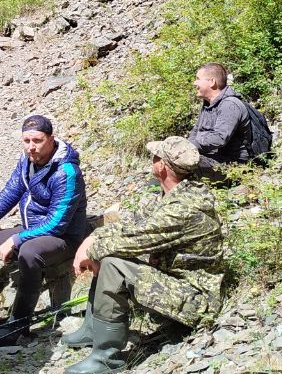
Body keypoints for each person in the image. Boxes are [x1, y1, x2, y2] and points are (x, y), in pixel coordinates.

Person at [60, 136, 223, 374]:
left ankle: (106, 358)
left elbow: (134, 240)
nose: (152, 160)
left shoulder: (183, 209)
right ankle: (93, 328)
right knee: (108, 253)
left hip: (195, 300)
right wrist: (92, 239)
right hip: (174, 284)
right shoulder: (169, 196)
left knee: (113, 262)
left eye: (155, 157)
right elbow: (129, 225)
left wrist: (92, 250)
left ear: (162, 167)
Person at [0, 114, 88, 346]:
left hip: (63, 238)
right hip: (32, 229)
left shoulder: (67, 172)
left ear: (51, 139)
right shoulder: (27, 162)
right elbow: (10, 193)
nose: (31, 147)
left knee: (29, 252)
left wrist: (18, 238)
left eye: (38, 140)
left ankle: (18, 324)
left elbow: (58, 223)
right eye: (26, 141)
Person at [188, 62, 252, 172]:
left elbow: (219, 138)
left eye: (198, 79)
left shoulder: (230, 105)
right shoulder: (207, 105)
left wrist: (190, 147)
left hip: (231, 165)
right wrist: (185, 146)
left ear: (212, 82)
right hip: (211, 158)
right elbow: (195, 132)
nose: (194, 83)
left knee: (177, 165)